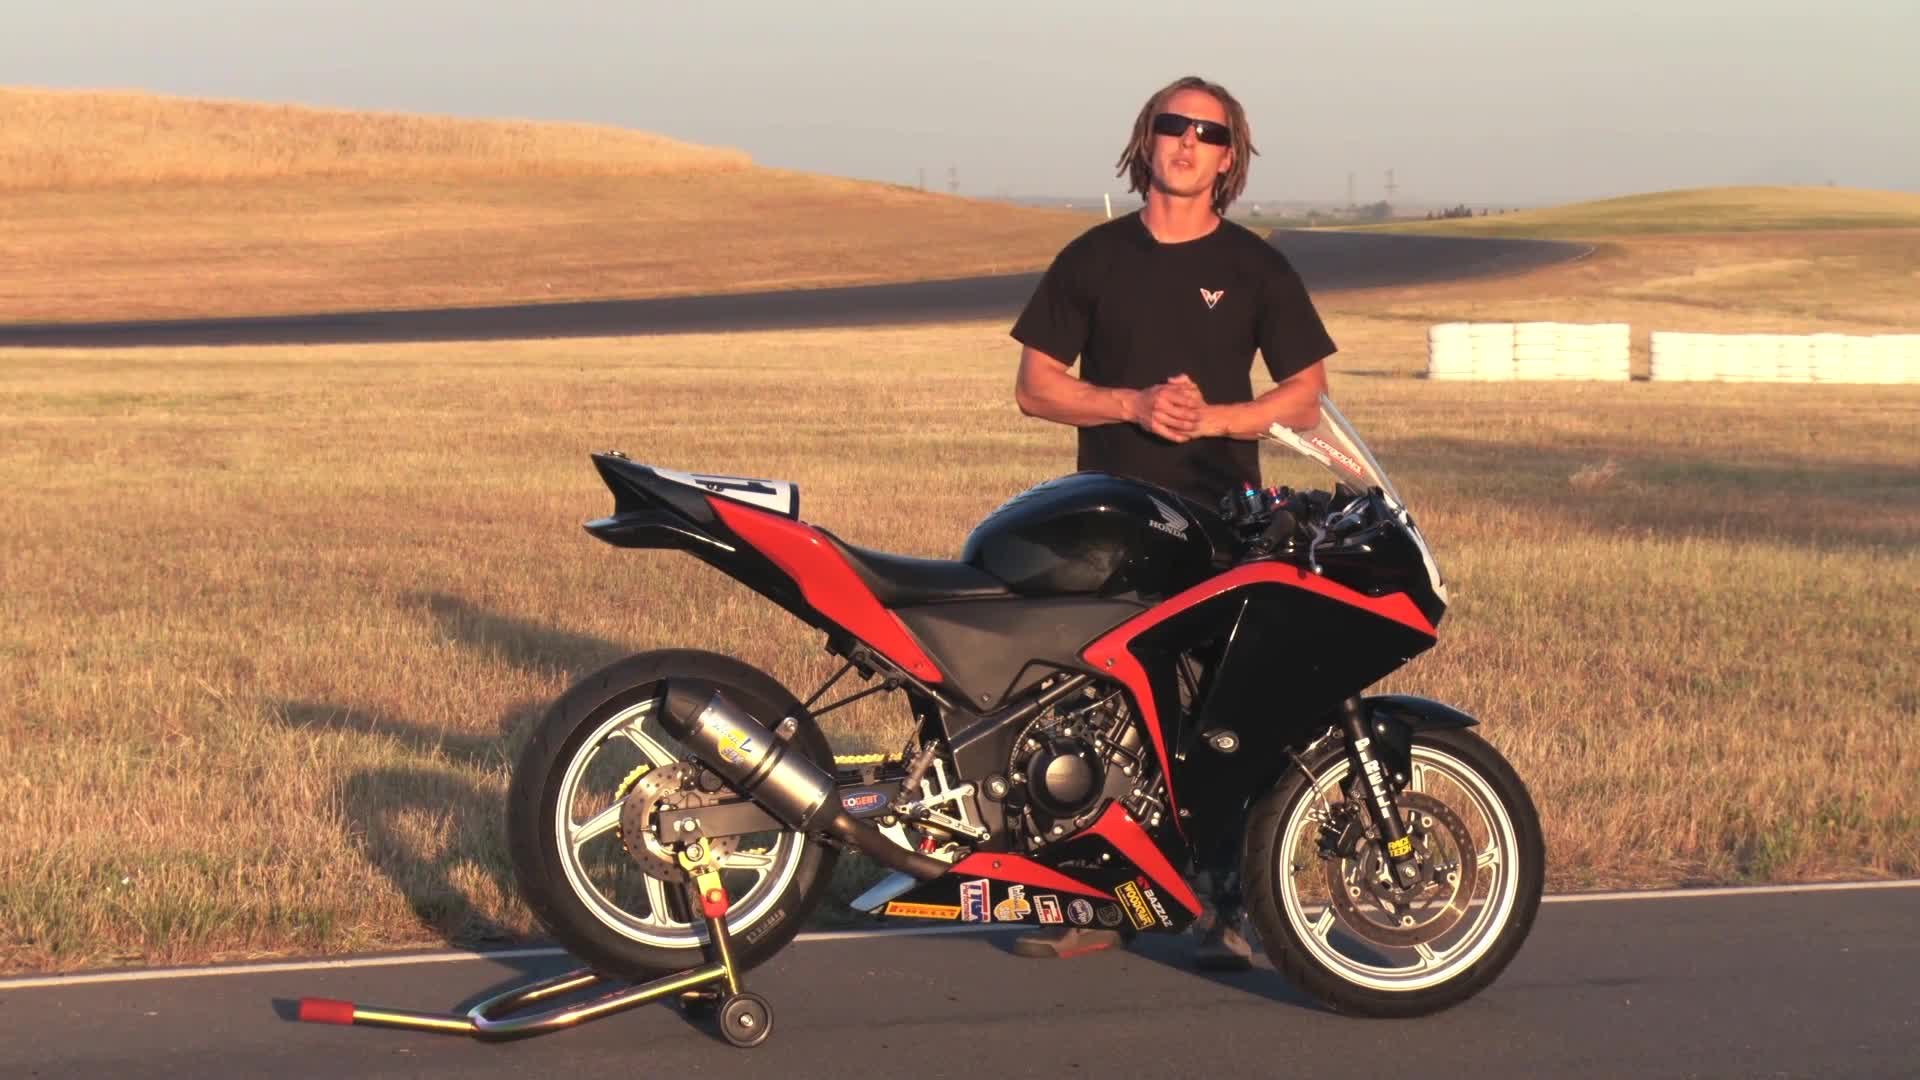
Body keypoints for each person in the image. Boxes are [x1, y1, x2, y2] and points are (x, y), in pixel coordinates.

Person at [1005, 75, 1337, 969]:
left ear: (1229, 158)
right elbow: (1035, 388)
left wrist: (1216, 419)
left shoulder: (1256, 267)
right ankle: (1094, 901)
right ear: (1145, 139)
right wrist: (1133, 404)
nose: (1189, 142)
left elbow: (1306, 397)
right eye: (1173, 125)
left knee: (1219, 717)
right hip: (1106, 522)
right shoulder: (1093, 257)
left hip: (1224, 521)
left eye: (1209, 133)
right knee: (1097, 710)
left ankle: (1225, 906)